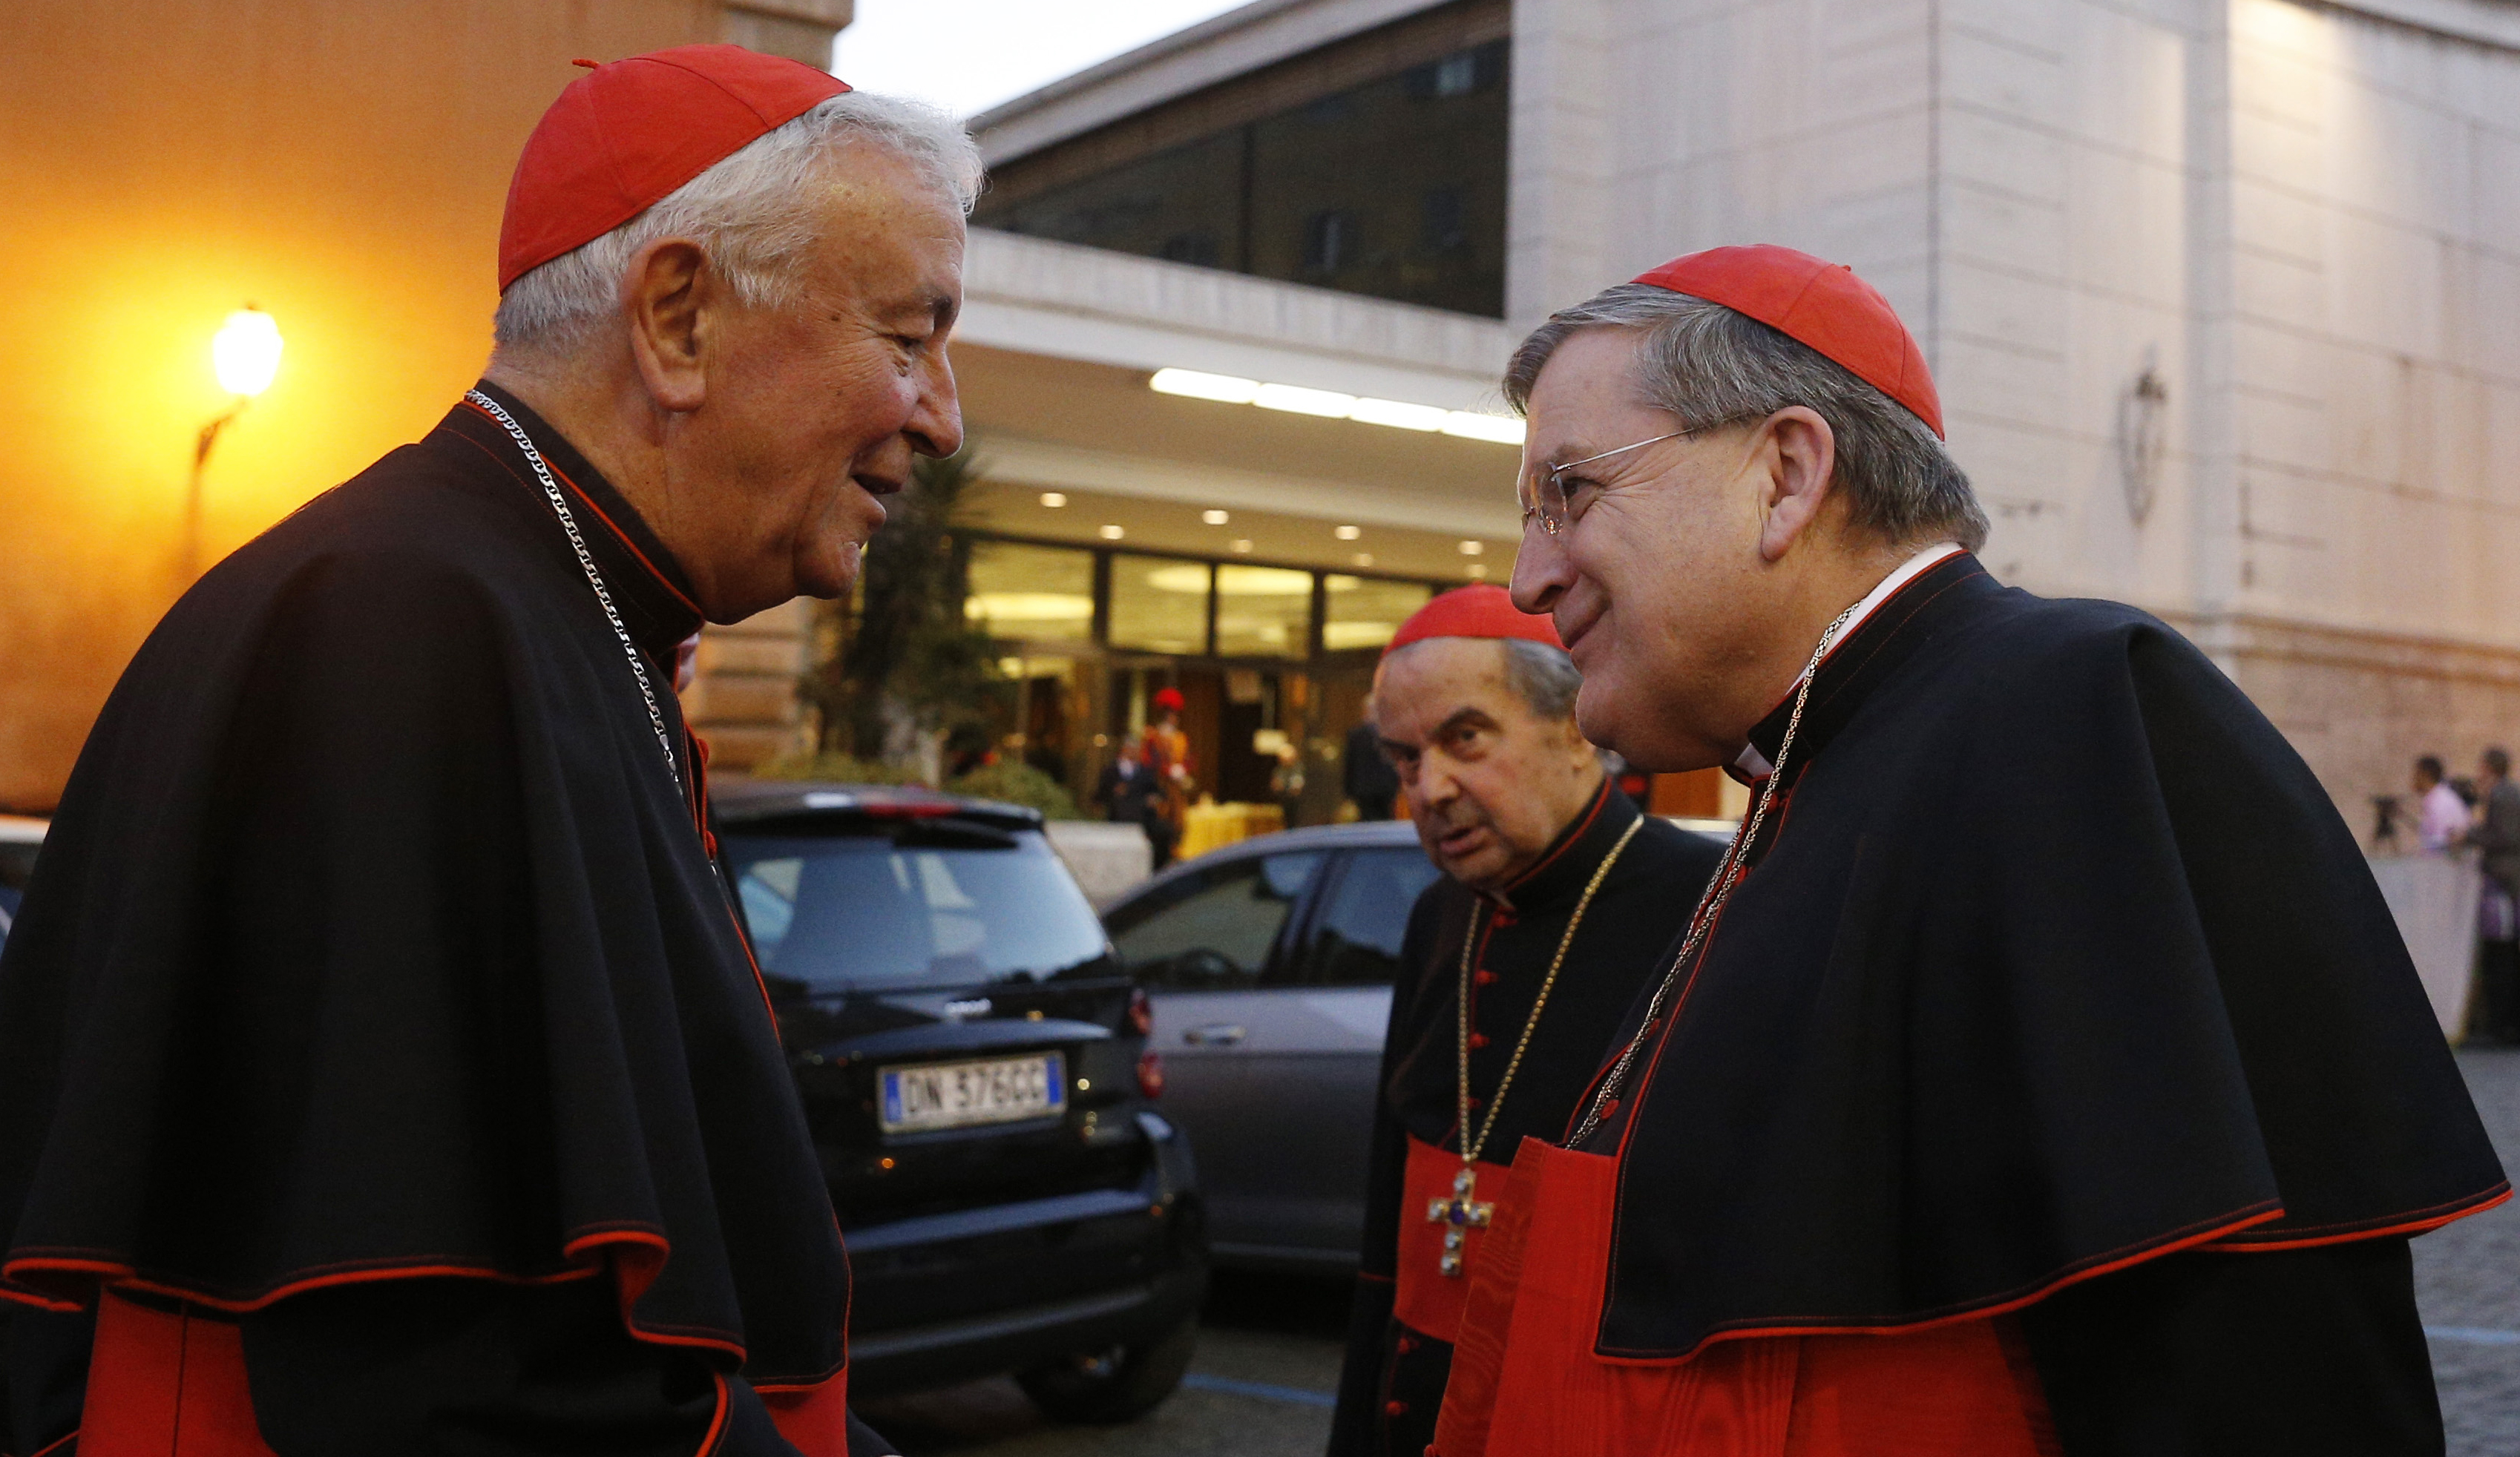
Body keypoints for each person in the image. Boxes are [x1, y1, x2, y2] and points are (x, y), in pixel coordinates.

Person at [0, 46, 978, 1457]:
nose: (943, 418)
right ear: (680, 318)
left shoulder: (555, 611)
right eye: (908, 336)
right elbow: (448, 1379)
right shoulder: (402, 628)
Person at [1424, 244, 2507, 1457]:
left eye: (1569, 492)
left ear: (1784, 474)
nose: (1528, 577)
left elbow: (2243, 1369)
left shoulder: (2076, 714)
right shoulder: (1814, 771)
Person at [1327, 585, 1719, 1457]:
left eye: (1464, 738)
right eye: (1402, 758)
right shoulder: (1441, 914)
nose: (1429, 788)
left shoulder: (1713, 903)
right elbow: (1389, 1228)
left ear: (1577, 725)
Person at [2470, 747, 2520, 1042]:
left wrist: (2469, 835)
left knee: (2501, 955)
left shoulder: (2502, 795)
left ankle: (2504, 1025)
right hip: (2507, 881)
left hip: (2504, 882)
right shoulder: (2508, 793)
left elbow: (2505, 836)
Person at [1138, 685, 1194, 868]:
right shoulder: (1152, 737)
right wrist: (1167, 771)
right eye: (1170, 714)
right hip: (1159, 787)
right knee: (1160, 824)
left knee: (1178, 823)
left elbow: (1188, 759)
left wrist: (1183, 770)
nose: (1173, 717)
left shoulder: (1181, 738)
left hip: (1176, 791)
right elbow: (1149, 761)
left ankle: (1172, 855)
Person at [1344, 709, 1401, 820]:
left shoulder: (1390, 734)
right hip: (1365, 791)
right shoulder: (1356, 735)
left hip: (1384, 790)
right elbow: (1350, 764)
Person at [2415, 754, 2470, 852]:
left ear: (2425, 775)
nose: (2413, 779)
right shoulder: (2435, 799)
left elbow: (2441, 843)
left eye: (2416, 775)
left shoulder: (2441, 802)